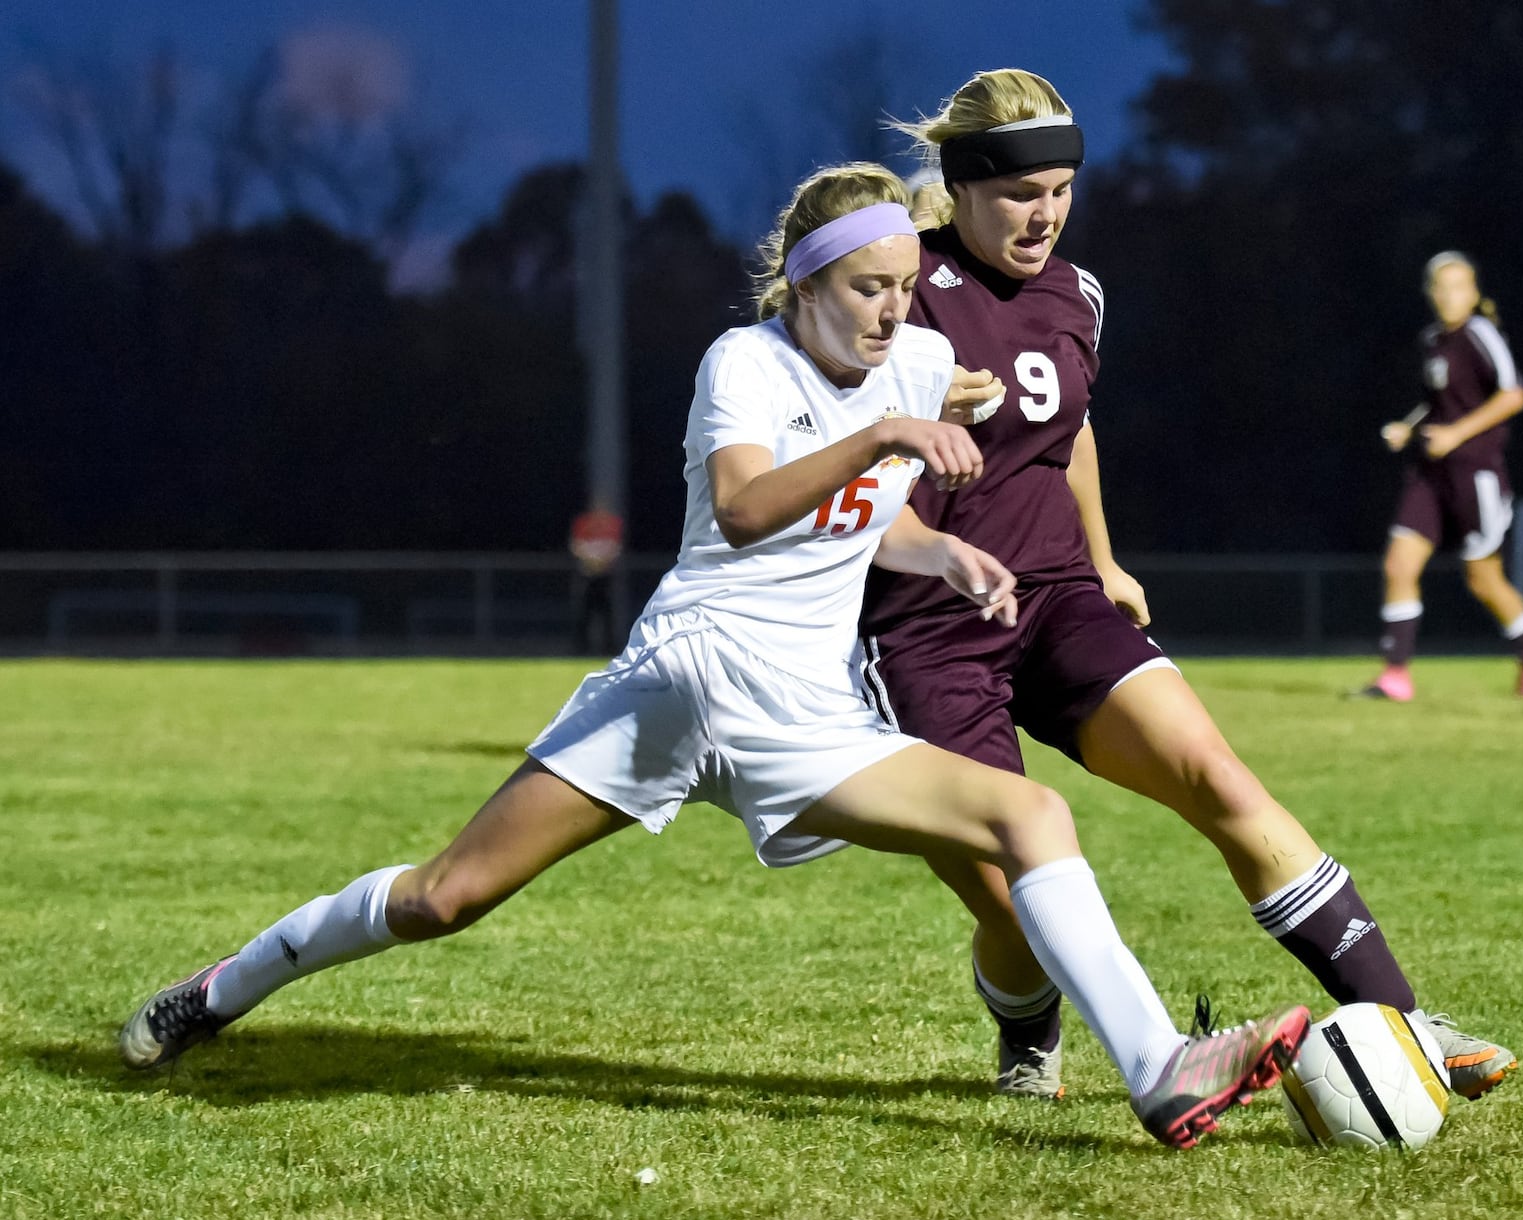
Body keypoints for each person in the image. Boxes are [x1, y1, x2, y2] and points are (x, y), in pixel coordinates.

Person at [119, 164, 1309, 1150]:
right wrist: (890, 429)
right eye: (865, 287)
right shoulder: (743, 364)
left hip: (803, 710)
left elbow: (866, 512)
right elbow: (745, 509)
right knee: (446, 896)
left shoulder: (902, 368)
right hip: (683, 681)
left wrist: (938, 556)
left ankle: (1159, 1071)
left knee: (1030, 817)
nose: (894, 312)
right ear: (803, 282)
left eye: (903, 286)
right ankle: (220, 989)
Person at [854, 70, 1515, 1102]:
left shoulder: (1079, 296)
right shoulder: (893, 291)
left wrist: (1107, 561)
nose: (1047, 212)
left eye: (1063, 187)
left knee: (1216, 773)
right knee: (1010, 897)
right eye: (1023, 191)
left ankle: (1405, 1022)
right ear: (965, 182)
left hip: (1058, 598)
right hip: (923, 628)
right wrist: (906, 400)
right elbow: (820, 449)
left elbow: (1070, 435)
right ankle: (1027, 1029)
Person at [1360, 252, 1523, 701]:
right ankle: (1395, 676)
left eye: (1459, 286)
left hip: (1477, 474)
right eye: (1442, 287)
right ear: (1430, 293)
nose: (1450, 295)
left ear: (1474, 292)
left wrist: (1456, 435)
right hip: (1430, 475)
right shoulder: (1431, 340)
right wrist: (1406, 428)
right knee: (1398, 565)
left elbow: (1513, 395)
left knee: (1483, 579)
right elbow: (1437, 402)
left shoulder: (1480, 334)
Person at [568, 499, 624, 655]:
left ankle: (610, 649)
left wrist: (602, 561)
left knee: (607, 613)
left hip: (606, 575)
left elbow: (616, 547)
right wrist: (591, 559)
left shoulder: (613, 523)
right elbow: (576, 545)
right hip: (587, 574)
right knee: (584, 613)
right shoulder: (583, 522)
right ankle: (581, 649)